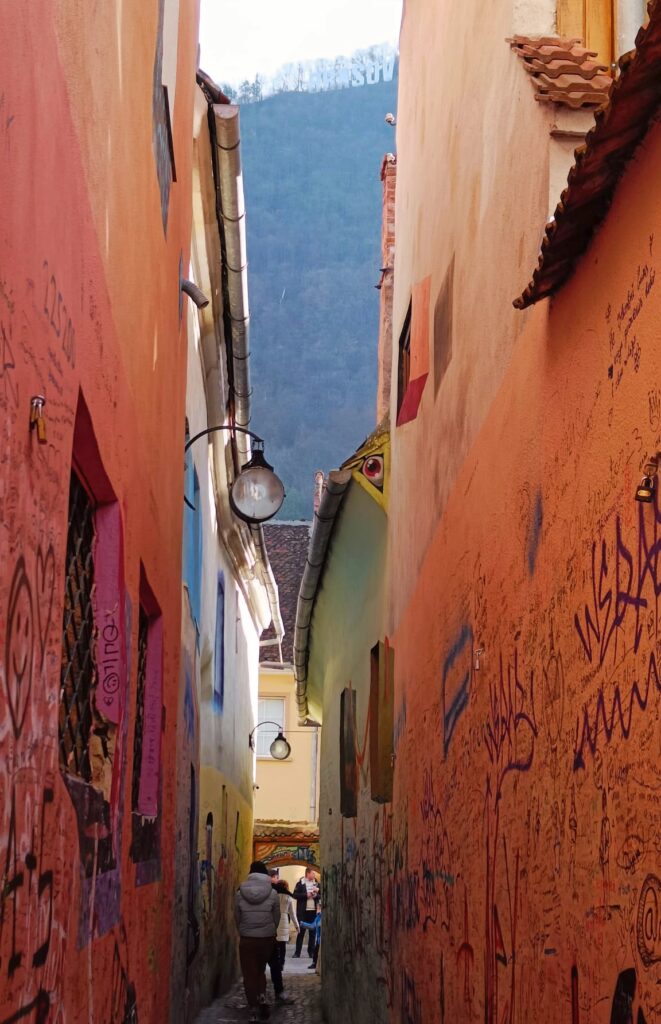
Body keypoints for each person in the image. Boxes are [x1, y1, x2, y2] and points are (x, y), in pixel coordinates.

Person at [235, 860, 280, 1022]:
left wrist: (243, 931)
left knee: (249, 974)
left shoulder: (240, 892)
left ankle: (253, 1008)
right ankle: (261, 996)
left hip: (247, 939)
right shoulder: (273, 893)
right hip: (266, 939)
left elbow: (237, 916)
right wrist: (270, 930)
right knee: (260, 970)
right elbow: (276, 917)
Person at [266, 880, 298, 1006]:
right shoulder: (288, 897)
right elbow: (292, 913)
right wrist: (296, 925)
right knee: (282, 945)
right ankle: (281, 963)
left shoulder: (271, 895)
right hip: (284, 920)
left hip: (273, 923)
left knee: (275, 945)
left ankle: (259, 995)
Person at [292, 867, 320, 958]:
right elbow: (295, 895)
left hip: (313, 912)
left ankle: (311, 952)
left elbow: (321, 895)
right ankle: (297, 953)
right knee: (301, 932)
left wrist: (316, 895)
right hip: (303, 912)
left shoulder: (317, 884)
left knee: (313, 933)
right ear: (307, 873)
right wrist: (306, 895)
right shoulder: (300, 884)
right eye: (313, 873)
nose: (314, 875)